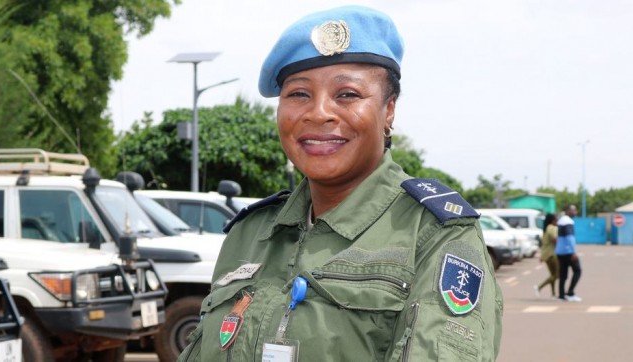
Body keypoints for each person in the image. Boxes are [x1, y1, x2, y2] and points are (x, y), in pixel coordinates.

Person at [178, 5, 503, 361]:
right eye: (299, 94)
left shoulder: (436, 235)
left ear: (389, 109)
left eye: (347, 94)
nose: (318, 112)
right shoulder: (250, 234)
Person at [555, 204, 582, 302]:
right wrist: (573, 252)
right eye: (573, 210)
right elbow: (569, 238)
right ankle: (570, 293)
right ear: (568, 211)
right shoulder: (568, 221)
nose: (575, 212)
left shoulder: (561, 221)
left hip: (560, 251)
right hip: (568, 251)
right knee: (578, 270)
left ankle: (561, 295)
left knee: (563, 274)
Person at [535, 213, 559, 297]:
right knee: (557, 275)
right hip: (552, 254)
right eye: (556, 220)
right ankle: (539, 287)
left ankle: (553, 294)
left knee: (552, 275)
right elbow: (555, 240)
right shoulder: (552, 228)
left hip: (546, 255)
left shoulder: (545, 229)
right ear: (552, 221)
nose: (557, 222)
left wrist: (541, 256)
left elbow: (544, 244)